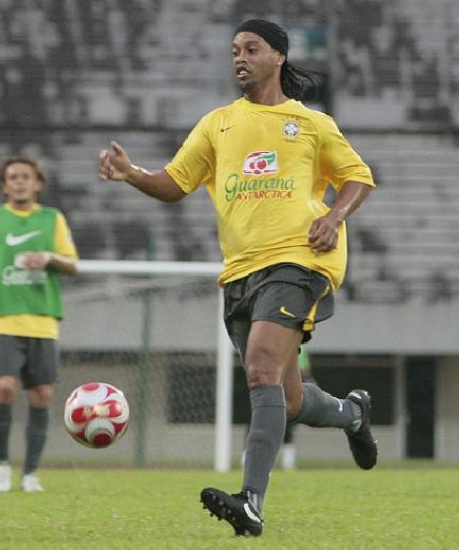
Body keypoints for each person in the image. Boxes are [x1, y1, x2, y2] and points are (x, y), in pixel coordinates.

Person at [97, 18, 377, 537]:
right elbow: (175, 183)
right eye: (234, 50)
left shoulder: (311, 123)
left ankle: (251, 502)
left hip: (300, 259)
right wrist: (133, 174)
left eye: (251, 48)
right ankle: (352, 414)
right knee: (287, 399)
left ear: (278, 58)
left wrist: (333, 217)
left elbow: (358, 177)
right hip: (241, 272)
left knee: (259, 368)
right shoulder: (217, 124)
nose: (239, 58)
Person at [0, 155, 78, 493]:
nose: (20, 182)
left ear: (38, 182)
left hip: (42, 319)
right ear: (4, 184)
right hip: (1, 317)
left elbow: (72, 264)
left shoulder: (52, 219)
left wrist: (50, 258)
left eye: (26, 176)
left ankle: (30, 473)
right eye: (13, 177)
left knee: (41, 395)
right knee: (6, 386)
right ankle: (0, 465)